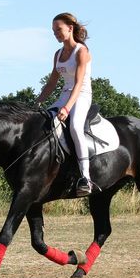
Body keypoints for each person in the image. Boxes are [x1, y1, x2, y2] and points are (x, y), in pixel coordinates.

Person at [35, 12, 93, 196]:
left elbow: (78, 84)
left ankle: (85, 178)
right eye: (53, 32)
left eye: (58, 30)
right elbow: (52, 83)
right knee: (42, 123)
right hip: (64, 94)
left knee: (75, 127)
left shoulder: (81, 51)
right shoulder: (58, 54)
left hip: (81, 94)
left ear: (70, 28)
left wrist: (67, 108)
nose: (56, 34)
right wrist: (37, 102)